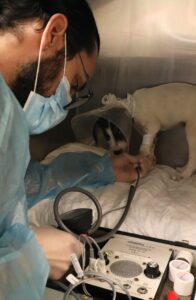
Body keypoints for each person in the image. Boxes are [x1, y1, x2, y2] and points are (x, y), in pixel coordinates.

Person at [0, 1, 152, 299]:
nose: (66, 101)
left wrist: (100, 169)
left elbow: (14, 187)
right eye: (76, 84)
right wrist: (27, 257)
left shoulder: (8, 112)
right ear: (54, 33)